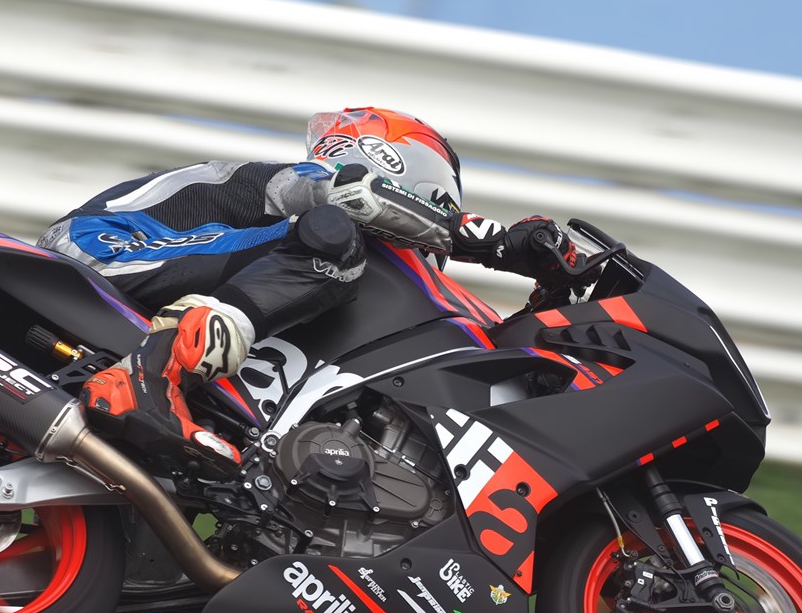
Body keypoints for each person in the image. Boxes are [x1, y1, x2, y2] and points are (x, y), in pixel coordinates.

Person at [37, 107, 583, 477]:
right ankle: (150, 375)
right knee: (335, 238)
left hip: (146, 262)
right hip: (110, 248)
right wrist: (497, 244)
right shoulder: (306, 183)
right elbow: (354, 195)